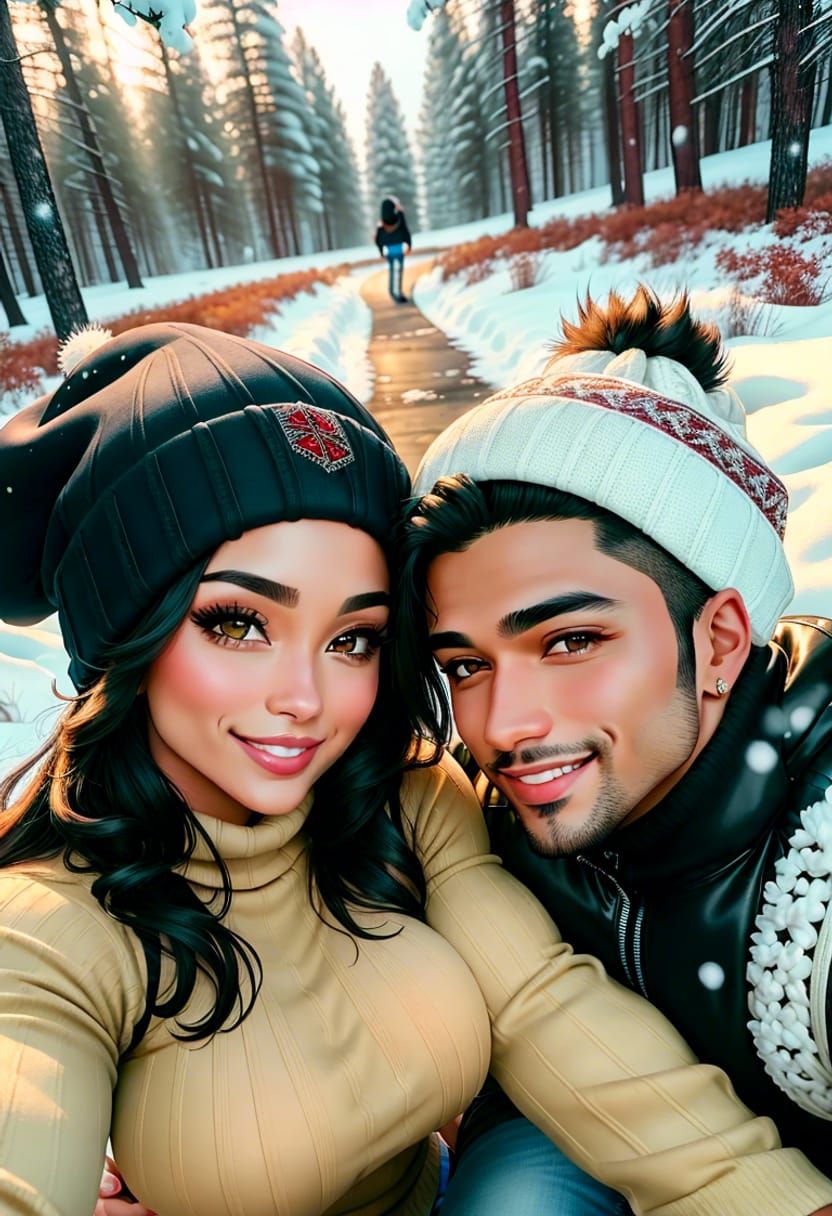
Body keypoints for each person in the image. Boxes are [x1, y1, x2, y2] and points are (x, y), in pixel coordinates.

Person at [1, 325, 830, 1216]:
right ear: (125, 635)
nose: (304, 698)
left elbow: (541, 1003)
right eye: (238, 624)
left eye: (352, 638)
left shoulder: (404, 798)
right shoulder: (49, 930)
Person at [397, 285, 832, 1209]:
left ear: (720, 641)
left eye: (570, 642)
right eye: (466, 665)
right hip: (560, 1138)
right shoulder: (477, 802)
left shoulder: (819, 863)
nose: (504, 727)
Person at [375, 195, 411, 303]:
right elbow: (405, 231)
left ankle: (393, 292)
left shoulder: (382, 224)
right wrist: (409, 245)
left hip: (390, 252)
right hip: (399, 251)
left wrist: (381, 252)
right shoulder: (399, 218)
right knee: (398, 272)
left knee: (392, 272)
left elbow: (378, 239)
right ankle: (398, 292)